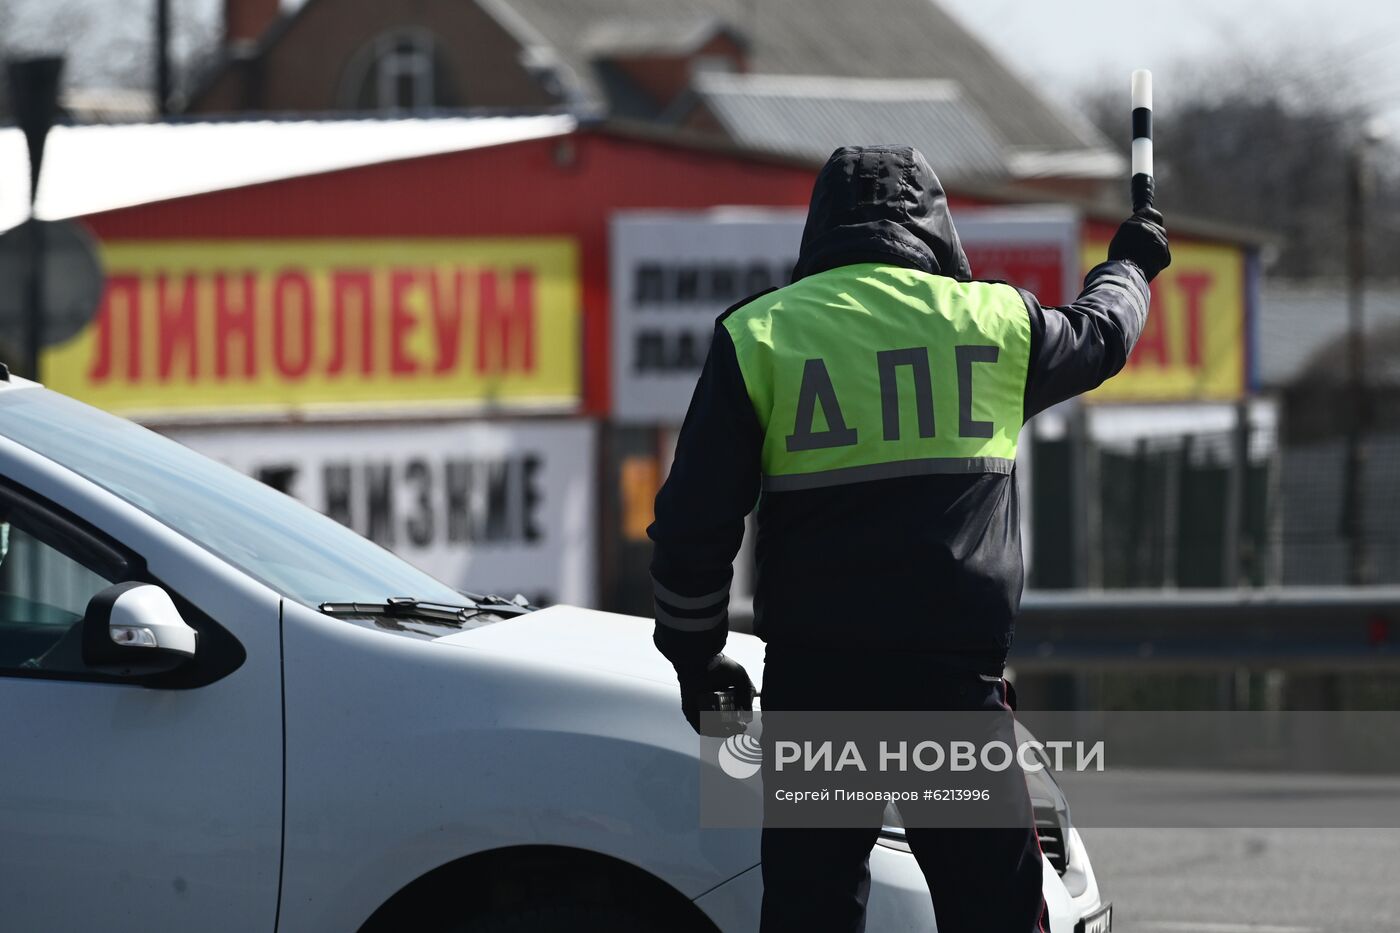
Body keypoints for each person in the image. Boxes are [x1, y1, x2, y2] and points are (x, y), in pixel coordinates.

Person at [648, 145, 1170, 932]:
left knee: (810, 915)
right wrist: (1131, 263)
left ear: (823, 224)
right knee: (995, 915)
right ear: (937, 224)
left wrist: (697, 658)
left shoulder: (760, 334)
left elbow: (693, 528)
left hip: (817, 692)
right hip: (953, 690)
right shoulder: (995, 322)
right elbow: (1103, 334)